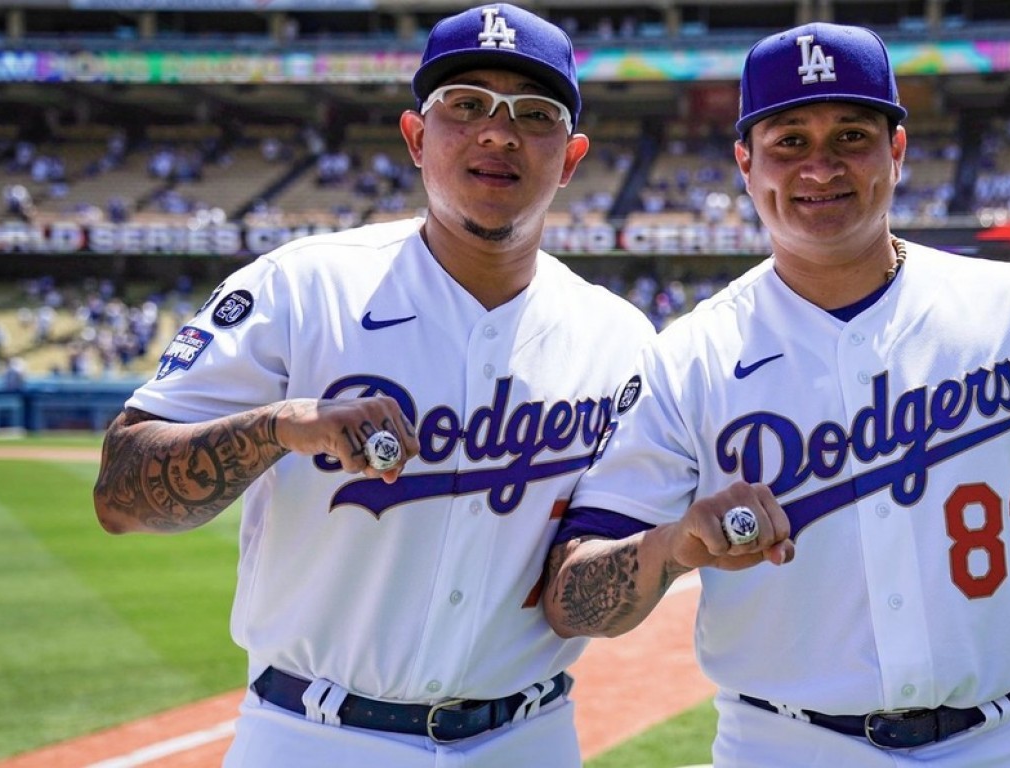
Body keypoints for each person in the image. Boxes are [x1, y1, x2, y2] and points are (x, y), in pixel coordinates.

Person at [92, 5, 654, 767]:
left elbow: (592, 579)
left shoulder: (619, 337)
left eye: (534, 113)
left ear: (571, 156)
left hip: (531, 738)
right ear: (416, 138)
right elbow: (121, 498)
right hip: (312, 738)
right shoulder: (302, 287)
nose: (498, 133)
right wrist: (278, 426)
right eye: (466, 105)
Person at [542, 21, 1010, 767]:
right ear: (745, 163)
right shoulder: (689, 358)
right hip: (786, 747)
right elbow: (570, 597)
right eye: (789, 141)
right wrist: (674, 545)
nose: (820, 167)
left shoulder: (1007, 308)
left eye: (851, 136)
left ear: (897, 151)